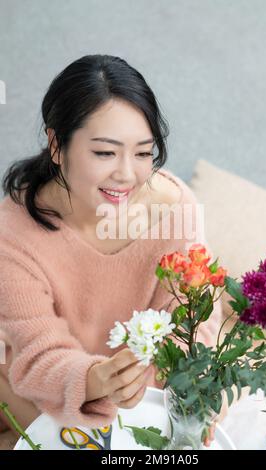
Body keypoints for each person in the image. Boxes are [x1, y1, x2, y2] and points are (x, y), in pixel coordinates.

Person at [0, 54, 222, 447]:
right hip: (51, 390)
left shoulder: (175, 208)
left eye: (142, 153)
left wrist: (157, 389)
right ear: (56, 144)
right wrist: (95, 381)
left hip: (150, 394)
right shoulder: (13, 232)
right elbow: (36, 352)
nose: (126, 174)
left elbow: (196, 325)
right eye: (105, 153)